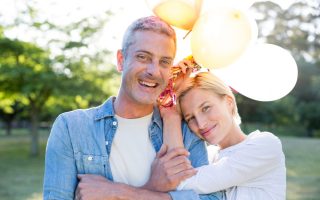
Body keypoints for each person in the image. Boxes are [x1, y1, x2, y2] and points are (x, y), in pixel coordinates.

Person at [43, 16, 224, 200]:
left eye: (164, 62)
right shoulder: (72, 128)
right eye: (143, 57)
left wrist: (118, 192)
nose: (154, 71)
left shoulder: (185, 133)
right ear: (121, 60)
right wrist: (153, 188)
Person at [160, 68, 286, 200]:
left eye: (206, 108)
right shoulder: (208, 154)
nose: (201, 124)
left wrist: (171, 116)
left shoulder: (265, 145)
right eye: (190, 118)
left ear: (229, 102)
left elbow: (179, 182)